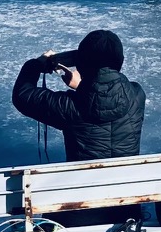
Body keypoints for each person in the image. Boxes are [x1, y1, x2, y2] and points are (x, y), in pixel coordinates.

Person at [11, 28, 145, 160]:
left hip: (85, 174)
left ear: (80, 65)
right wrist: (81, 86)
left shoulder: (68, 107)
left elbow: (22, 95)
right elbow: (104, 100)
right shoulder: (137, 95)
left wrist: (36, 64)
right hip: (127, 173)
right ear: (121, 61)